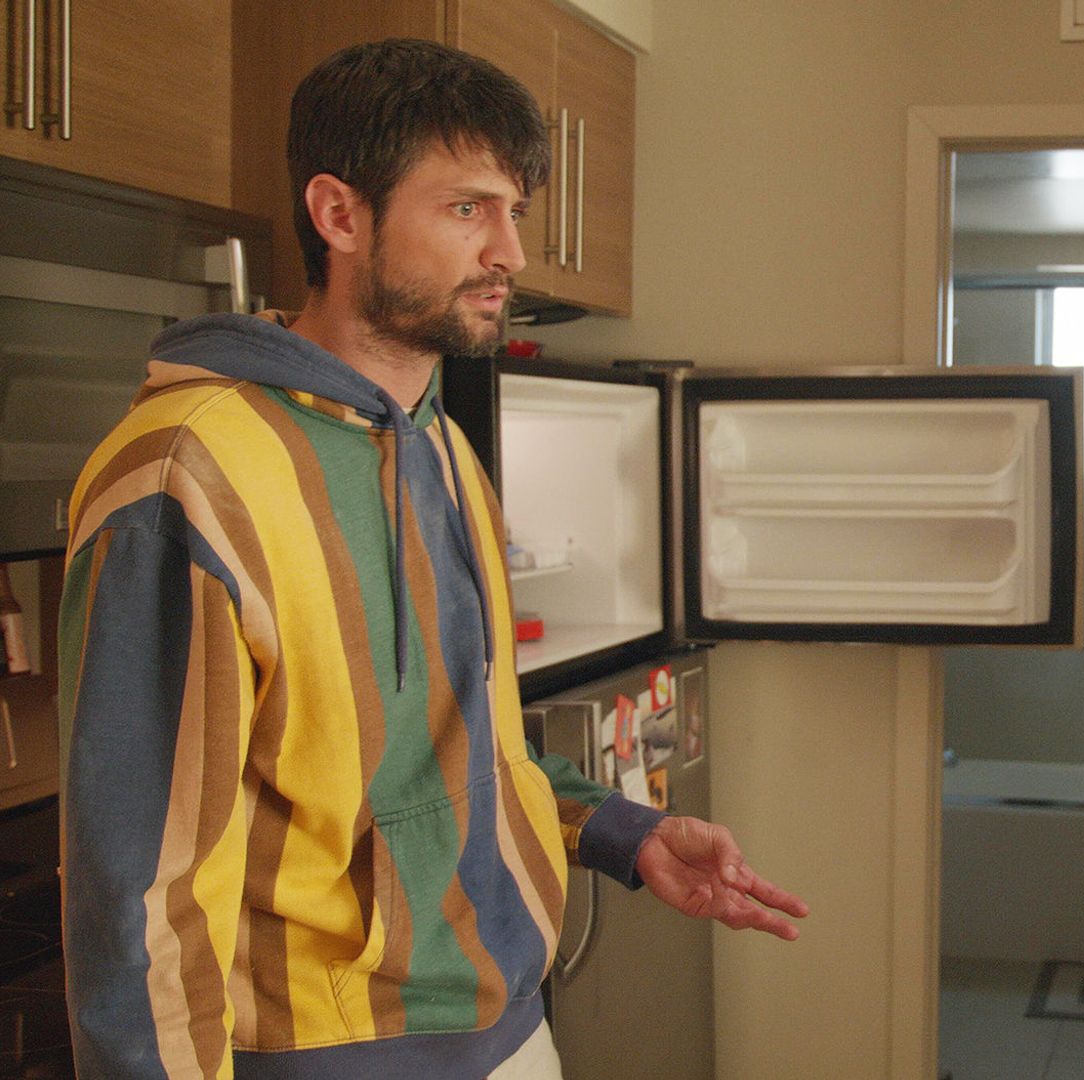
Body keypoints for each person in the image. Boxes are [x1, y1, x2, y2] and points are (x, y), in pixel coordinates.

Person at [57, 38, 807, 1079]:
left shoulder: (440, 444)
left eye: (516, 212)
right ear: (339, 214)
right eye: (467, 208)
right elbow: (139, 892)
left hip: (508, 1027)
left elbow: (454, 744)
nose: (511, 253)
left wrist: (618, 831)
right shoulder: (186, 478)